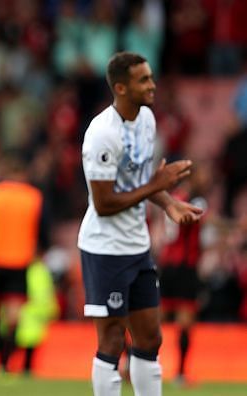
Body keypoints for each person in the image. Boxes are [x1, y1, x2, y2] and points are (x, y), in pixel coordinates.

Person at [77, 51, 203, 396]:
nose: (152, 85)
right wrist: (157, 186)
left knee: (150, 337)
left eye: (150, 77)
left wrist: (167, 203)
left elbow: (142, 181)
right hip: (104, 248)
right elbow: (103, 204)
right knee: (113, 339)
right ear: (120, 87)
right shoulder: (102, 134)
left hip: (137, 245)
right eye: (143, 80)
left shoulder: (146, 119)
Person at [0, 154, 46, 373]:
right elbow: (43, 229)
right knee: (14, 312)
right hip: (20, 259)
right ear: (24, 174)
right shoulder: (33, 197)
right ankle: (6, 360)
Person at [157, 163, 209, 385]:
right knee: (185, 321)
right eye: (204, 176)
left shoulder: (172, 197)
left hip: (167, 264)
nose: (207, 181)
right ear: (194, 177)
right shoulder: (193, 201)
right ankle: (179, 373)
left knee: (155, 319)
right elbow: (198, 220)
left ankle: (132, 361)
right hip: (184, 267)